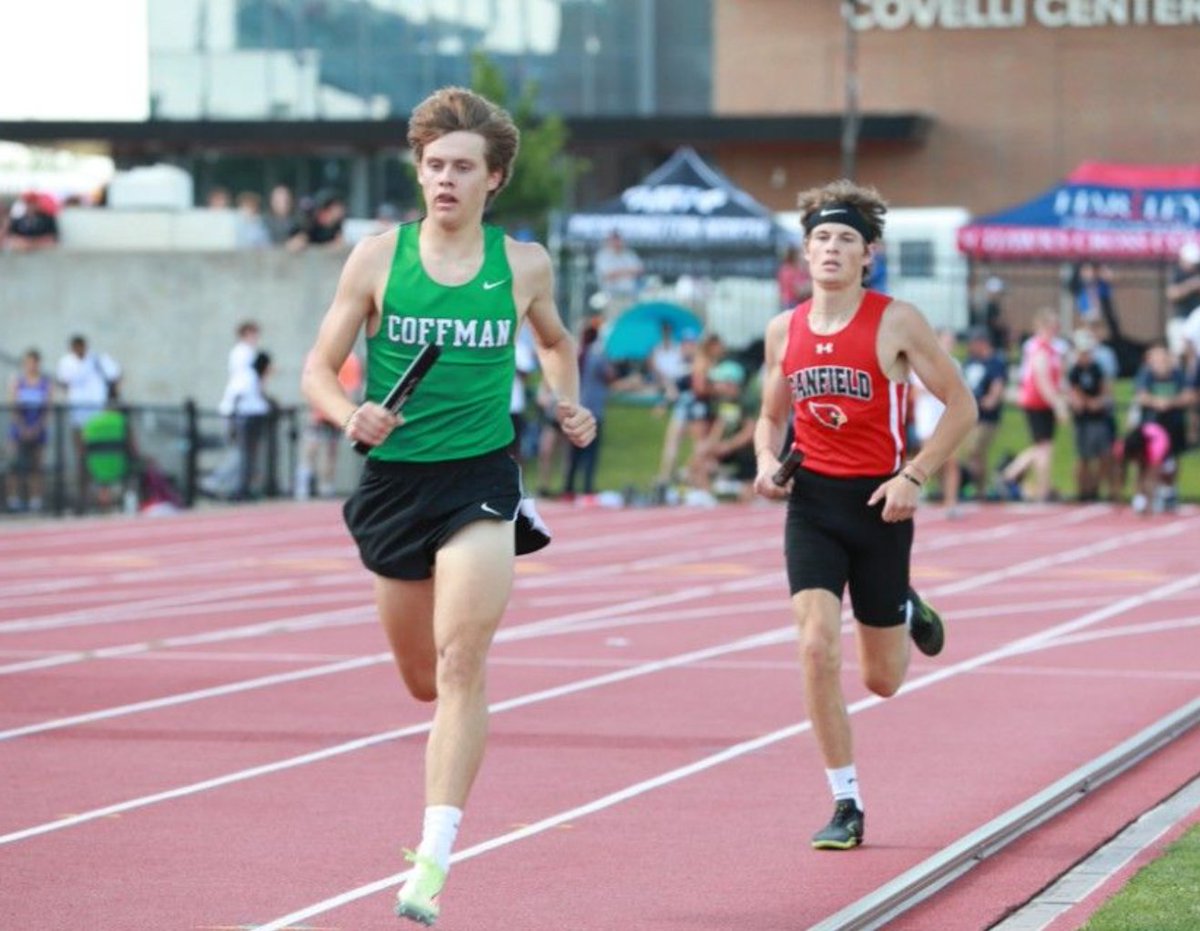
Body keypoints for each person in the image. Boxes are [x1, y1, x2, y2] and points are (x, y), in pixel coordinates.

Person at [300, 86, 595, 926]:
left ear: (493, 178)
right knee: (424, 679)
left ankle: (432, 859)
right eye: (434, 165)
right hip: (395, 485)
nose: (446, 180)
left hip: (480, 478)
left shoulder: (523, 264)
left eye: (463, 167)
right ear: (419, 170)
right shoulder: (375, 258)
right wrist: (346, 409)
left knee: (462, 661)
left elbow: (554, 340)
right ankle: (446, 752)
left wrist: (565, 399)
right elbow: (317, 369)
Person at [752, 179, 976, 851]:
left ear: (866, 254)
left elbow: (961, 405)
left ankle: (904, 606)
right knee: (816, 644)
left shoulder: (896, 321)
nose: (831, 248)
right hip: (814, 505)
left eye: (845, 238)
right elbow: (769, 418)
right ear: (805, 250)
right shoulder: (782, 330)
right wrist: (765, 462)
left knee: (882, 680)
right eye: (821, 237)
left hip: (881, 505)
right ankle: (846, 801)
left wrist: (915, 474)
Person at [999, 309, 1069, 503]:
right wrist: (1057, 404)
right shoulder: (1038, 349)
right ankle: (1037, 488)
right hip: (1037, 402)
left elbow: (1057, 378)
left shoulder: (1052, 349)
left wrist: (1060, 398)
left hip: (1045, 402)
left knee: (1043, 447)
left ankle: (1016, 477)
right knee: (1044, 448)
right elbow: (1042, 380)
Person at [55, 334, 122, 510]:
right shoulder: (66, 363)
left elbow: (116, 377)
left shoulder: (99, 360)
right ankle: (84, 497)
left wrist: (110, 403)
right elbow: (63, 383)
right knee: (81, 457)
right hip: (78, 419)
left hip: (98, 419)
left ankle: (103, 496)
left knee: (100, 456)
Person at [296, 350, 364, 499]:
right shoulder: (319, 354)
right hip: (321, 412)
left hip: (334, 413)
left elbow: (351, 388)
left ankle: (325, 486)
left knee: (329, 452)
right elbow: (310, 382)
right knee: (312, 449)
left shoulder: (350, 360)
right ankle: (305, 485)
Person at [562, 321, 615, 498]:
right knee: (591, 452)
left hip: (576, 407)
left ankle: (568, 488)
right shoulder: (596, 357)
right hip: (593, 410)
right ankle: (587, 487)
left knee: (574, 453)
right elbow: (610, 376)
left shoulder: (577, 355)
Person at [1066, 328, 1115, 502]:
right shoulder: (1074, 371)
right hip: (1083, 420)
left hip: (1099, 419)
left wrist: (1098, 402)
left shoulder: (1097, 369)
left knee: (1103, 455)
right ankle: (1082, 490)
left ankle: (1096, 488)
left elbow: (1106, 392)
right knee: (1083, 457)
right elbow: (1075, 394)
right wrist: (1087, 402)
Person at [960, 326, 1007, 499]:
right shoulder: (970, 361)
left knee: (976, 450)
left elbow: (998, 384)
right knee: (973, 454)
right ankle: (977, 486)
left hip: (986, 417)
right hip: (970, 416)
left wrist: (992, 399)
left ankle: (979, 487)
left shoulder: (995, 362)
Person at [6, 348, 53, 512]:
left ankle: (35, 500)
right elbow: (13, 408)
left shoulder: (45, 383)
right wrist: (22, 428)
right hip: (18, 430)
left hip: (38, 430)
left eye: (34, 362)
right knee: (14, 465)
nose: (31, 366)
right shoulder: (17, 382)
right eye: (28, 363)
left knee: (36, 466)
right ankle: (13, 500)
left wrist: (36, 428)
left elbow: (47, 409)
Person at [592, 230, 643, 314]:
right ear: (609, 241)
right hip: (611, 296)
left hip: (629, 296)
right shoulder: (603, 256)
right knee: (613, 322)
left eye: (618, 240)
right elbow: (607, 275)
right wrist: (628, 271)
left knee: (629, 320)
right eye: (614, 240)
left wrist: (619, 272)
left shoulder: (629, 254)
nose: (617, 243)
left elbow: (639, 270)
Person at [777, 243, 812, 309]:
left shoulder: (797, 268)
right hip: (791, 303)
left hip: (792, 303)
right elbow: (799, 292)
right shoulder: (788, 270)